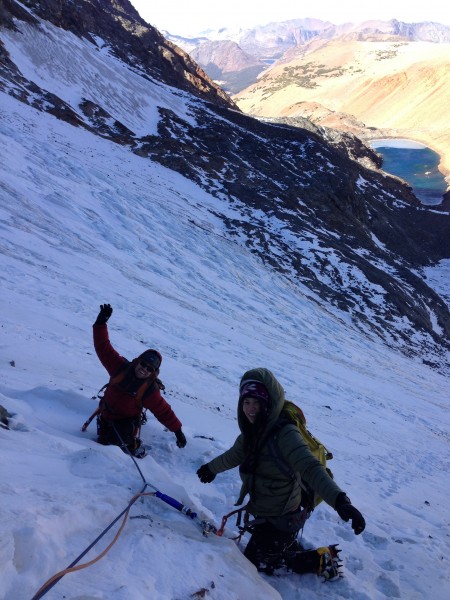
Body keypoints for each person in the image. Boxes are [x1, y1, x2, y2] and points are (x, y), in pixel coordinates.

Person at [197, 368, 365, 579]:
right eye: (246, 402)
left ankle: (320, 560)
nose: (251, 409)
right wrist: (211, 468)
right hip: (267, 511)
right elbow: (234, 455)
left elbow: (311, 468)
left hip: (282, 517)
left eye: (257, 402)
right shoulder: (252, 433)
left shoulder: (285, 434)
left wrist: (341, 501)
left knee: (253, 565)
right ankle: (285, 546)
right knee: (270, 548)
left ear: (268, 403)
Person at [89, 303, 186, 457]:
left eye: (149, 369)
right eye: (143, 364)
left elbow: (163, 411)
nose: (144, 369)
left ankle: (132, 445)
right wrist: (100, 324)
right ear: (137, 361)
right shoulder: (119, 367)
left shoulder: (149, 390)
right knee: (105, 437)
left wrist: (178, 431)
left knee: (114, 441)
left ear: (154, 373)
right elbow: (103, 347)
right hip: (106, 412)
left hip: (125, 422)